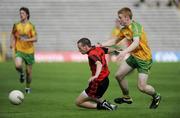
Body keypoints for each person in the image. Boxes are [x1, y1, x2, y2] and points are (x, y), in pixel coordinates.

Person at [99, 7, 161, 109]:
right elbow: (115, 41)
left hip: (144, 60)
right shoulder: (124, 30)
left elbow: (136, 42)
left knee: (142, 87)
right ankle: (126, 97)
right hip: (134, 57)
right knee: (119, 75)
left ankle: (156, 96)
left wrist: (124, 52)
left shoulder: (136, 27)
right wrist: (101, 45)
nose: (119, 20)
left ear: (127, 17)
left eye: (120, 17)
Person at [75, 38, 117, 110]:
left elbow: (99, 64)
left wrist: (96, 76)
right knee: (92, 97)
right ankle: (106, 106)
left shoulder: (91, 54)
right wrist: (118, 50)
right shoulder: (98, 48)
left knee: (79, 102)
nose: (79, 50)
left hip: (98, 82)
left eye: (80, 48)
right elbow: (108, 50)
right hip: (105, 80)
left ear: (85, 47)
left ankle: (105, 106)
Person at [10, 7, 37, 94]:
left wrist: (27, 40)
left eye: (23, 13)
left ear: (27, 15)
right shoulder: (16, 25)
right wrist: (12, 43)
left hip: (29, 51)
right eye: (20, 13)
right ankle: (21, 74)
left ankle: (27, 88)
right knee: (17, 65)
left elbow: (35, 38)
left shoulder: (31, 26)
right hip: (19, 50)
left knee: (29, 72)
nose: (21, 15)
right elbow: (13, 34)